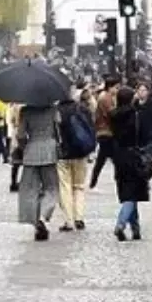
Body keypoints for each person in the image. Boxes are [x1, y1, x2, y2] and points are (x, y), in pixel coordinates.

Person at [16, 102, 60, 241]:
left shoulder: (25, 110)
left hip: (31, 151)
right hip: (50, 150)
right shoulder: (53, 109)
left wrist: (23, 147)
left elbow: (21, 135)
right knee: (52, 188)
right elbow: (58, 130)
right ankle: (43, 215)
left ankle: (34, 222)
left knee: (29, 189)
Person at [112, 87, 151, 241]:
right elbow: (142, 135)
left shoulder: (113, 115)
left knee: (128, 190)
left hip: (119, 156)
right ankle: (121, 224)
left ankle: (135, 228)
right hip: (133, 155)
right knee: (132, 193)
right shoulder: (135, 115)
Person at [56, 90, 93, 232]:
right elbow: (90, 129)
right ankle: (79, 217)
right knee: (79, 186)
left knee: (65, 187)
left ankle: (68, 220)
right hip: (81, 152)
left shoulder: (56, 112)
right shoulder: (82, 109)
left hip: (63, 154)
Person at [89, 76, 120, 189]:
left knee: (103, 158)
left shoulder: (107, 96)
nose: (117, 90)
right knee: (111, 158)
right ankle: (117, 179)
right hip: (106, 131)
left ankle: (94, 180)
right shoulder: (105, 98)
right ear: (110, 87)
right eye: (116, 87)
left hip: (106, 131)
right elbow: (112, 114)